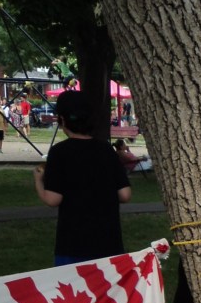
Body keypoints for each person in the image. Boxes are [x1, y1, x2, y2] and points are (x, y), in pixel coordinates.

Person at [33, 90, 132, 265]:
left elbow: (52, 199)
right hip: (109, 243)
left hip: (73, 245)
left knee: (75, 291)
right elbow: (125, 195)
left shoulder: (59, 152)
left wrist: (38, 180)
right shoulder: (106, 150)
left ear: (61, 120)